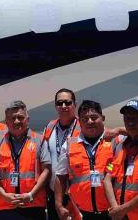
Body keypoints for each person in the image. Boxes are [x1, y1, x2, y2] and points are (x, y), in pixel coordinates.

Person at [0, 100, 52, 220]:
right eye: (12, 118)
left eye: (20, 117)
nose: (16, 121)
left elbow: (47, 170)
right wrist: (4, 195)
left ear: (27, 119)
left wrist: (31, 195)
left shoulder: (39, 140)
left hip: (33, 204)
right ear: (6, 121)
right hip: (7, 205)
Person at [55, 100, 115, 220]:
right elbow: (60, 176)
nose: (90, 122)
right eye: (85, 119)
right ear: (79, 121)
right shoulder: (69, 145)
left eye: (94, 117)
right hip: (81, 213)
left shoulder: (117, 141)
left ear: (102, 118)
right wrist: (59, 205)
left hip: (113, 212)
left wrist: (122, 130)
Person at [43, 89, 81, 220]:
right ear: (55, 106)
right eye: (60, 103)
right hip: (54, 193)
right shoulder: (50, 126)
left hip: (75, 195)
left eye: (67, 102)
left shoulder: (83, 126)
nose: (63, 106)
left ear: (74, 105)